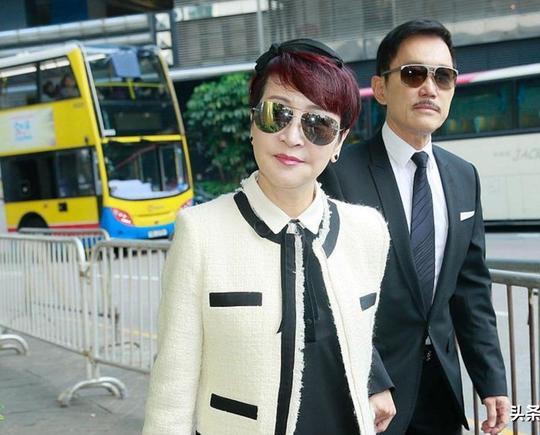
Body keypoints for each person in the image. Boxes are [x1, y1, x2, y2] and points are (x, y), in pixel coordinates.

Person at [143, 39, 393, 435]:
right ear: (252, 122)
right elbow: (172, 384)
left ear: (339, 142)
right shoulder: (200, 231)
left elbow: (358, 344)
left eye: (318, 125)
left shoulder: (368, 231)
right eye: (278, 114)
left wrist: (375, 386)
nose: (292, 137)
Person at [319, 19, 511, 435]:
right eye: (413, 74)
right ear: (381, 88)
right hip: (369, 396)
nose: (429, 88)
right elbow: (328, 293)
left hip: (441, 391)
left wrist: (491, 381)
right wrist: (372, 380)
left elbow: (471, 292)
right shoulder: (339, 173)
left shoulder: (464, 177)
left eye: (443, 76)